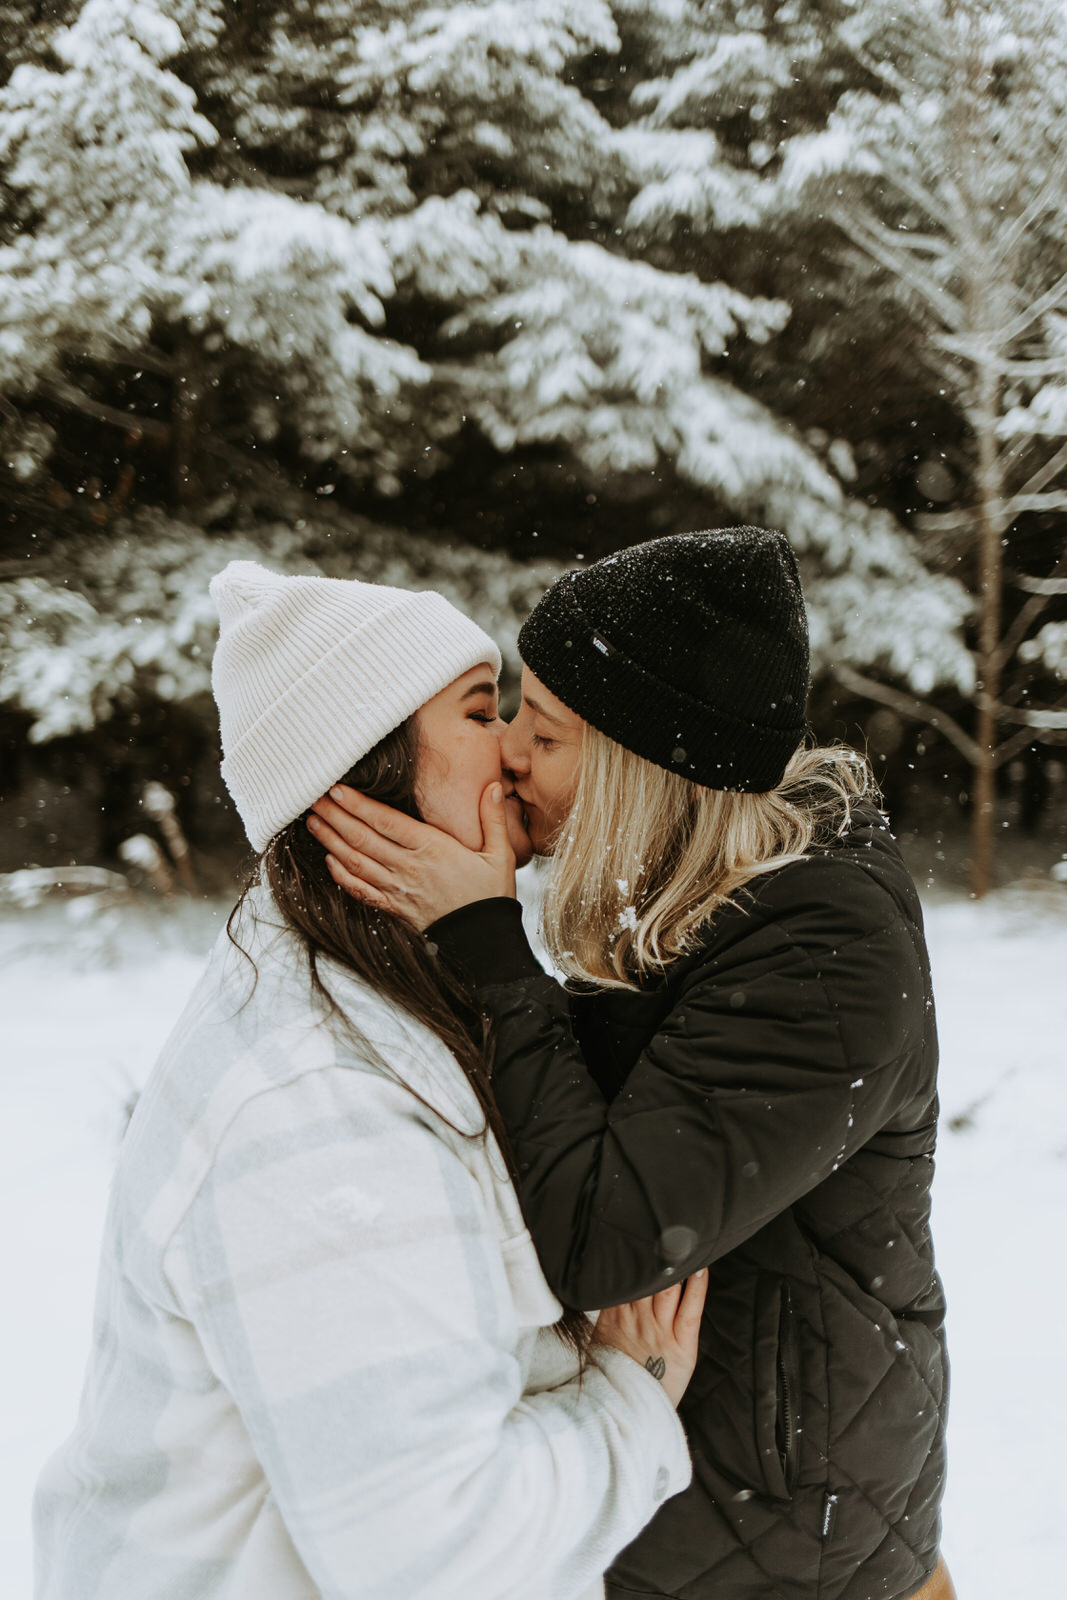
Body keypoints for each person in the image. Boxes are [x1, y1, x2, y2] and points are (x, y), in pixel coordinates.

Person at [33, 560, 709, 1600]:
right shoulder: (313, 1110)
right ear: (366, 774)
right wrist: (629, 1398)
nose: (519, 744)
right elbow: (435, 1557)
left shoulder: (383, 990)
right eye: (483, 711)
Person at [306, 529, 956, 1600]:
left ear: (642, 767)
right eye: (509, 709)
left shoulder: (820, 955)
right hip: (712, 1487)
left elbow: (607, 1236)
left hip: (787, 1529)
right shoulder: (690, 892)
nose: (509, 751)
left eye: (546, 734)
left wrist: (485, 945)